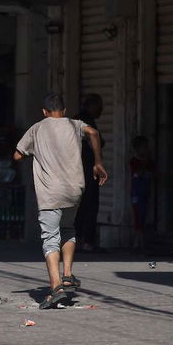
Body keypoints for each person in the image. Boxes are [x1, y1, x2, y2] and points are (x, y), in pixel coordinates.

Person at [14, 92, 107, 310]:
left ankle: (56, 287)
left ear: (45, 112)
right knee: (68, 229)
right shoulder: (75, 124)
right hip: (74, 191)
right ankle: (67, 275)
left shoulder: (37, 128)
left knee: (50, 238)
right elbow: (93, 133)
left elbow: (17, 155)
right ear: (64, 111)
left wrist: (34, 153)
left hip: (50, 193)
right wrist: (98, 162)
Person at [75, 93, 105, 252]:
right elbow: (96, 141)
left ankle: (78, 240)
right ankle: (86, 241)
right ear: (91, 106)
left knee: (81, 206)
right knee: (89, 205)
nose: (101, 111)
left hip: (77, 170)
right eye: (99, 107)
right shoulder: (85, 122)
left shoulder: (78, 120)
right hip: (87, 170)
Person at [129, 135, 155, 251]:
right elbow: (138, 173)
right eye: (144, 147)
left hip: (145, 191)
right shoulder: (134, 161)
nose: (146, 149)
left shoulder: (149, 162)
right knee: (138, 215)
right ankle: (137, 241)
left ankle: (140, 241)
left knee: (143, 215)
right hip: (137, 192)